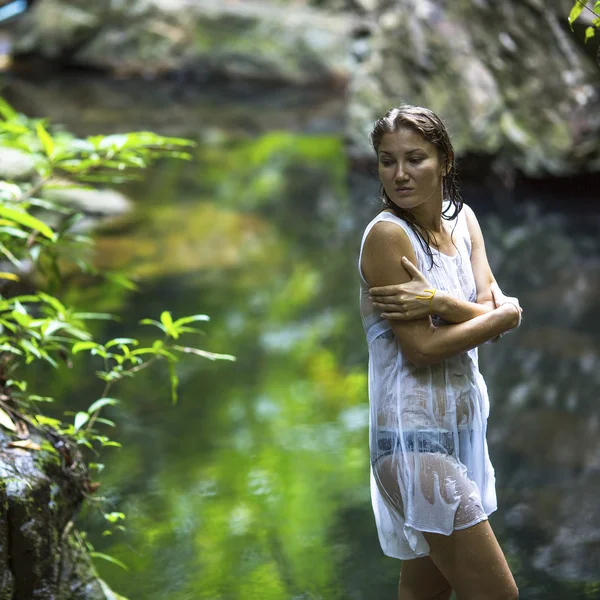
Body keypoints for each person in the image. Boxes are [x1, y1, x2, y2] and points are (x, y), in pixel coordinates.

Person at [358, 105, 522, 600]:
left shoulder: (464, 221)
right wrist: (507, 317)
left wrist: (444, 302)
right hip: (414, 444)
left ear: (445, 160)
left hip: (464, 435)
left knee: (426, 595)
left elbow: (485, 308)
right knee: (499, 595)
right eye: (388, 161)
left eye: (415, 158)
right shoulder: (388, 236)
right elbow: (424, 348)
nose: (400, 174)